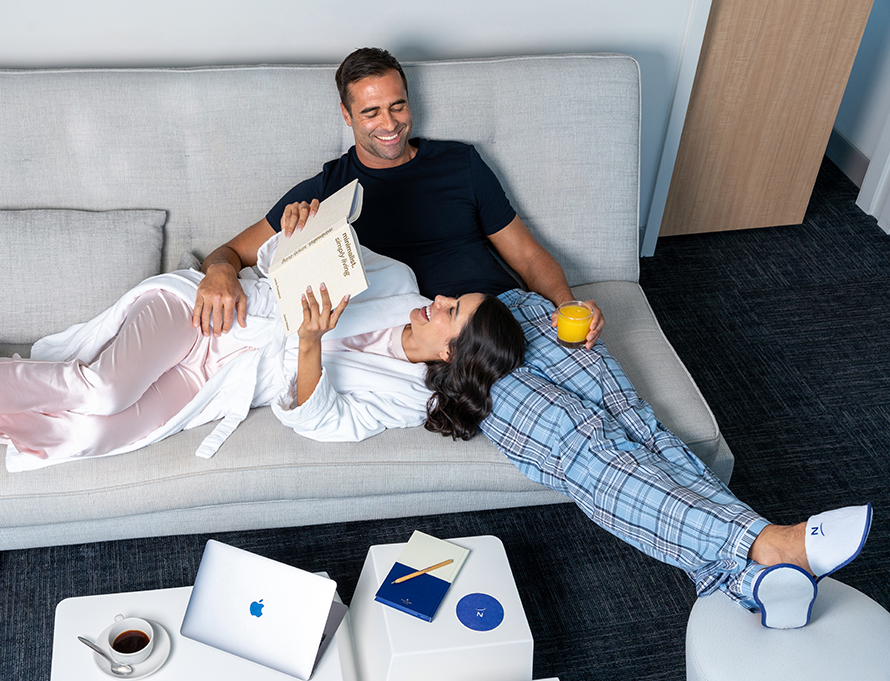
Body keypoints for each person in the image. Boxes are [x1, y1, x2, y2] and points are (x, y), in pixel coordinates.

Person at [191, 47, 872, 629]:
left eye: (397, 105)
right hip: (462, 349)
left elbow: (527, 253)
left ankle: (737, 579)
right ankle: (770, 542)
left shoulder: (460, 163)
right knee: (583, 445)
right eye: (371, 112)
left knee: (640, 429)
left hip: (519, 311)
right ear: (347, 116)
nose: (389, 123)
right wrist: (220, 271)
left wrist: (568, 305)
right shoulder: (329, 188)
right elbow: (232, 251)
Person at [0, 236, 525, 469]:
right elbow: (277, 257)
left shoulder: (409, 400)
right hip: (214, 311)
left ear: (453, 355)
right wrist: (302, 234)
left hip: (225, 377)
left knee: (93, 432)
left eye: (451, 310)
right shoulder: (396, 280)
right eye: (452, 298)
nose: (439, 299)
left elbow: (323, 422)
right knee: (106, 390)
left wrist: (310, 344)